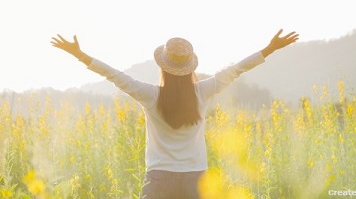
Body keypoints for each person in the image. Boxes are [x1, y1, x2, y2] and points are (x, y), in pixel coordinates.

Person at [51, 29, 299, 199]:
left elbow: (114, 75)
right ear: (190, 66)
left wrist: (79, 54)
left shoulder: (150, 94)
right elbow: (235, 70)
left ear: (163, 65)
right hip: (196, 180)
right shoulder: (203, 91)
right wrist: (270, 48)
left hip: (159, 180)